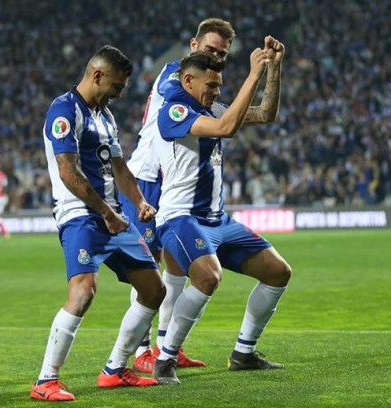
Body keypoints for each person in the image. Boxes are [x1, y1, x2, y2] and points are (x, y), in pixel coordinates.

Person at [122, 18, 285, 374]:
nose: (216, 58)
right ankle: (143, 351)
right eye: (210, 50)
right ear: (193, 47)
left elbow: (258, 114)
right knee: (150, 272)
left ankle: (169, 345)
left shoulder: (207, 96)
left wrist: (272, 69)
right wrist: (252, 76)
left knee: (177, 272)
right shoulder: (174, 79)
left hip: (184, 187)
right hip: (148, 179)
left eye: (222, 54)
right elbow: (223, 122)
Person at [30, 45, 166, 402]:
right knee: (83, 291)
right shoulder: (64, 110)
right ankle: (46, 380)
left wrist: (139, 201)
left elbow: (120, 168)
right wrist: (107, 212)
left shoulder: (105, 116)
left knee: (154, 289)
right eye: (117, 85)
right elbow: (67, 171)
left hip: (114, 215)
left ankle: (115, 369)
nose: (120, 93)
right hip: (80, 215)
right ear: (97, 75)